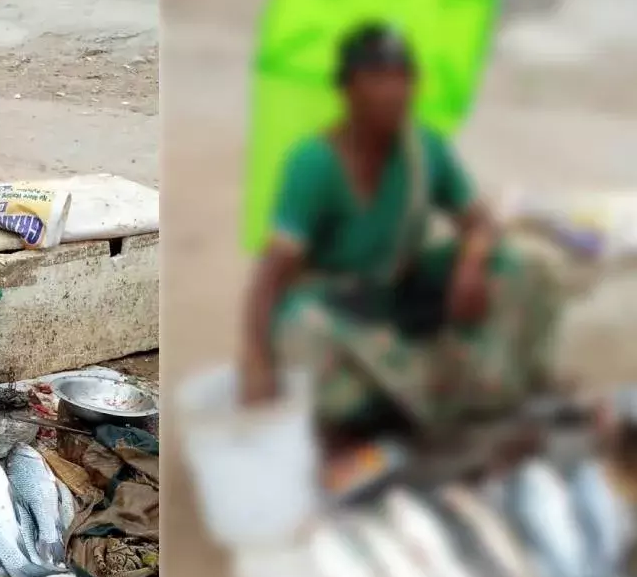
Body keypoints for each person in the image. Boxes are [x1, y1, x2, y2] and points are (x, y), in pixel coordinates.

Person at [239, 23, 558, 447]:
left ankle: (486, 389)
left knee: (523, 263)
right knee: (302, 331)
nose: (394, 92)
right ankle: (392, 409)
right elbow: (271, 277)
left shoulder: (424, 149)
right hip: (340, 306)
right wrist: (257, 361)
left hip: (402, 290)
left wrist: (471, 263)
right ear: (347, 88)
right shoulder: (313, 163)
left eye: (402, 77)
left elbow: (480, 223)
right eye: (377, 78)